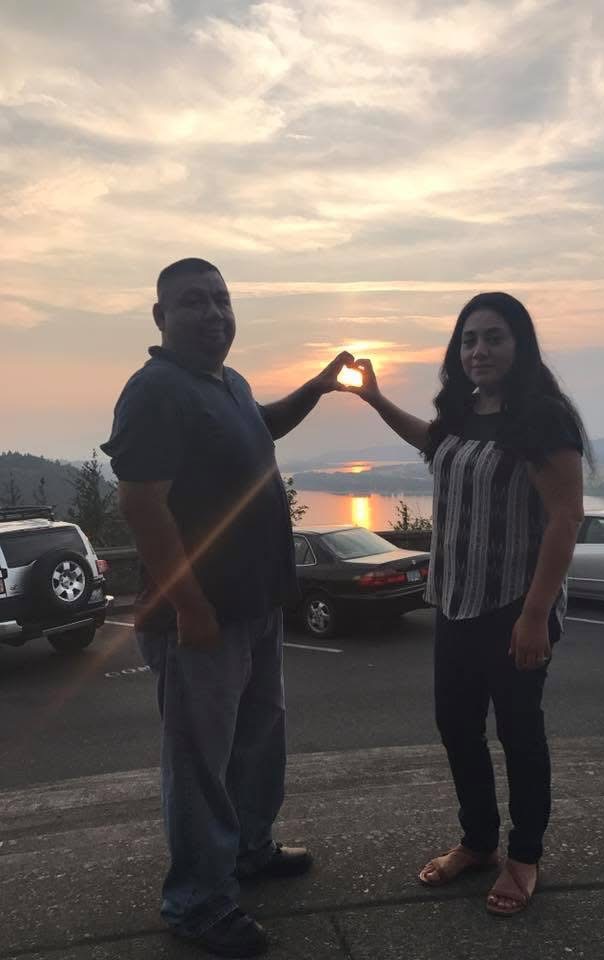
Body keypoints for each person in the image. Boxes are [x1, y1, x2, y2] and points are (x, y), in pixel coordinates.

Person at [102, 258, 353, 958]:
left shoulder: (227, 384)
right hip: (201, 618)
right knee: (199, 765)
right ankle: (196, 902)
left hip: (256, 605)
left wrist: (319, 386)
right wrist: (191, 607)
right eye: (194, 301)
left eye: (221, 298)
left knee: (257, 740)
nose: (213, 313)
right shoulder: (155, 390)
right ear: (161, 317)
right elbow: (141, 505)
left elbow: (263, 426)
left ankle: (248, 849)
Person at [342, 292, 591, 916]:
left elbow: (565, 519)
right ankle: (478, 842)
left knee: (519, 733)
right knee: (456, 727)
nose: (479, 351)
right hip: (454, 601)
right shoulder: (461, 411)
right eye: (469, 340)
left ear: (519, 345)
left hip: (514, 607)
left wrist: (535, 615)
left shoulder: (543, 419)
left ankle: (523, 855)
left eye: (493, 338)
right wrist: (373, 398)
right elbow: (430, 441)